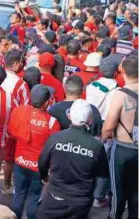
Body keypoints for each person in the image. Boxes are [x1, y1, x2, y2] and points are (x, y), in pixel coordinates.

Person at [37, 100, 108, 219]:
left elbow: (42, 163)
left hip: (56, 196)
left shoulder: (56, 138)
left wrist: (45, 178)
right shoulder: (96, 146)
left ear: (69, 116)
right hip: (81, 201)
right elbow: (102, 172)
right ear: (90, 120)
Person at [7, 85, 61, 219]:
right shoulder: (52, 122)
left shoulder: (18, 112)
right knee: (34, 197)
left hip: (20, 162)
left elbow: (10, 133)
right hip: (39, 167)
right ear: (47, 102)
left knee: (18, 194)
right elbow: (55, 148)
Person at [101, 54, 138, 219]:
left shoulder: (120, 94)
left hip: (123, 148)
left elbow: (109, 126)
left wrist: (103, 140)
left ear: (123, 71)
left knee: (118, 190)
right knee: (137, 193)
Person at [1, 49, 30, 194]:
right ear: (17, 64)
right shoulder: (20, 84)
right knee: (9, 158)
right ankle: (6, 185)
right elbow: (25, 108)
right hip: (10, 126)